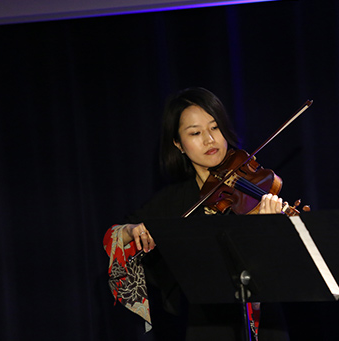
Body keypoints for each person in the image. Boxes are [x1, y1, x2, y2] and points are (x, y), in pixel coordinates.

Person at [103, 87, 290, 340]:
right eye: (195, 133)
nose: (209, 139)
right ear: (178, 144)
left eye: (215, 127)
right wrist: (130, 231)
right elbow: (113, 237)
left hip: (265, 326)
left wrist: (268, 230)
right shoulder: (173, 200)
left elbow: (285, 271)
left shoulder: (256, 187)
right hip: (207, 327)